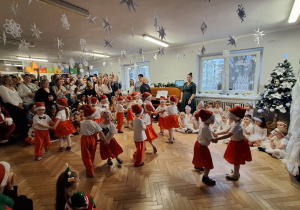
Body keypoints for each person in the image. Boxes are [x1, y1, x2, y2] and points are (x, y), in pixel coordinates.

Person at [215, 106, 252, 181]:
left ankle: (235, 175)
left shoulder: (237, 126)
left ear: (236, 117)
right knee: (236, 159)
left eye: (230, 116)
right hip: (235, 142)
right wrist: (216, 133)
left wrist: (217, 138)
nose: (228, 117)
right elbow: (226, 131)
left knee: (236, 160)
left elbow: (228, 135)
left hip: (238, 144)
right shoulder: (234, 123)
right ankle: (236, 172)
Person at [80, 105, 107, 177]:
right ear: (92, 116)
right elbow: (100, 132)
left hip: (84, 139)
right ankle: (91, 165)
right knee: (92, 152)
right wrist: (105, 140)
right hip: (92, 139)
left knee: (86, 155)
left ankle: (89, 168)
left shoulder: (82, 123)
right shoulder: (94, 123)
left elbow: (82, 131)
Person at [192, 109, 218, 186]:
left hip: (198, 144)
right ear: (208, 120)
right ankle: (205, 177)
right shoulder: (205, 128)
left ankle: (197, 166)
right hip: (202, 147)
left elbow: (209, 131)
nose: (214, 120)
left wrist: (213, 133)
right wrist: (217, 139)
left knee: (198, 157)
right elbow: (213, 140)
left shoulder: (205, 124)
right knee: (208, 162)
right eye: (213, 119)